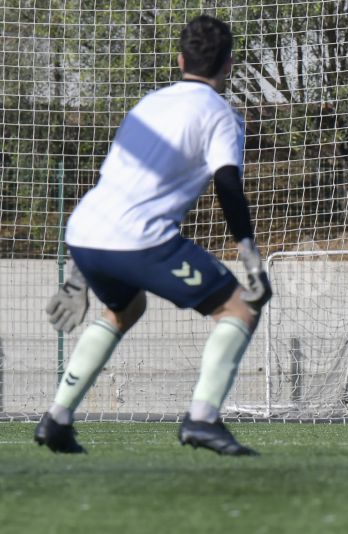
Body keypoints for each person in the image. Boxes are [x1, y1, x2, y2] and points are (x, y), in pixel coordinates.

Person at [35, 15, 270, 455]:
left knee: (125, 309)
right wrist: (250, 256)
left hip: (86, 230)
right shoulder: (222, 115)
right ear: (230, 65)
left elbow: (114, 184)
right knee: (240, 308)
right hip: (139, 240)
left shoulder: (147, 105)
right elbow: (227, 183)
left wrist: (77, 276)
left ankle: (57, 419)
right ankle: (202, 419)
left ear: (180, 60)